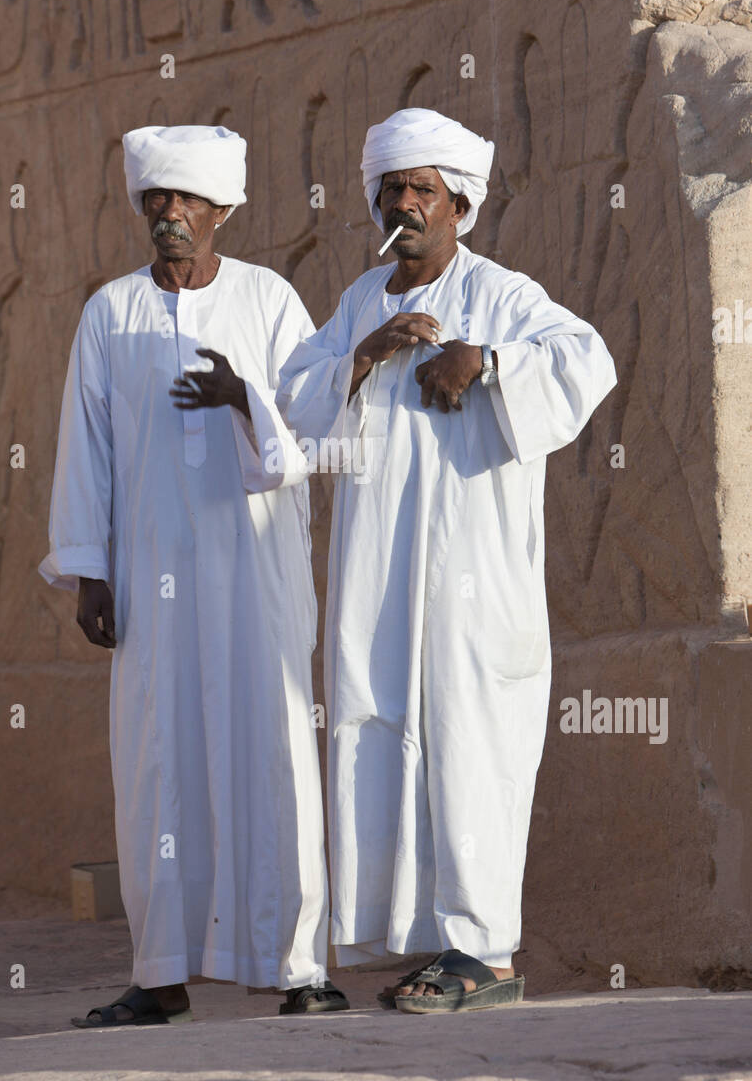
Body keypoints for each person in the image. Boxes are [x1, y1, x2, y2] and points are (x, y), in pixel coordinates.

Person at [277, 107, 617, 1013]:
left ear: (459, 205)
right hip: (379, 577)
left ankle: (487, 953)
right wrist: (365, 353)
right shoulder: (359, 299)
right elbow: (294, 395)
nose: (405, 204)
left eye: (423, 190)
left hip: (475, 577)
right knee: (379, 728)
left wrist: (488, 360)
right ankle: (428, 940)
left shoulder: (503, 292)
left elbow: (589, 359)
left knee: (473, 741)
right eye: (392, 189)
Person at [39, 123, 349, 1025]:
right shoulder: (109, 313)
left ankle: (298, 967)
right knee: (156, 759)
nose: (171, 216)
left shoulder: (269, 300)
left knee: (277, 749)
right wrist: (90, 572)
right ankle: (160, 971)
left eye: (188, 202)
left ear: (223, 210)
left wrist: (240, 399)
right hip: (152, 572)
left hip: (255, 568)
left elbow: (308, 433)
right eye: (156, 201)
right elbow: (83, 448)